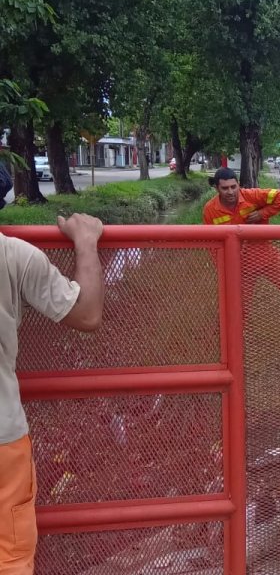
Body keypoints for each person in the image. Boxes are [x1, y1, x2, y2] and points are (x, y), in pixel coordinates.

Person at [1, 213, 105, 572]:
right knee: (10, 557)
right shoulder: (12, 255)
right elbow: (87, 315)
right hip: (2, 436)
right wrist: (86, 242)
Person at [202, 167, 280, 333]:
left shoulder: (253, 196)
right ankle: (233, 335)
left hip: (264, 254)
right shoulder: (210, 210)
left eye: (233, 187)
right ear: (216, 188)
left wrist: (262, 214)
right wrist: (224, 268)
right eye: (225, 188)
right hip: (239, 264)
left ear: (238, 185)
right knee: (237, 302)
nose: (230, 192)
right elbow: (212, 245)